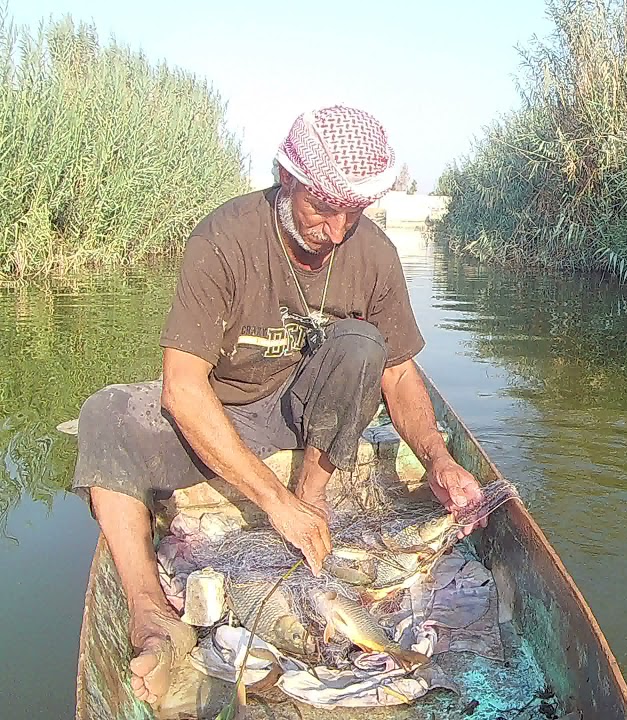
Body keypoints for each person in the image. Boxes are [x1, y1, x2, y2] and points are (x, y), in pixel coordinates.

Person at [70, 105, 484, 706]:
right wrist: (272, 501)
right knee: (105, 414)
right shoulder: (225, 237)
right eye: (323, 207)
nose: (337, 230)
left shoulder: (373, 253)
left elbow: (397, 373)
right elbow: (183, 388)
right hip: (222, 415)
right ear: (286, 178)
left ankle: (313, 500)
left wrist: (439, 458)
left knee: (365, 343)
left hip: (306, 421)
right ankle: (149, 610)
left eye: (354, 211)